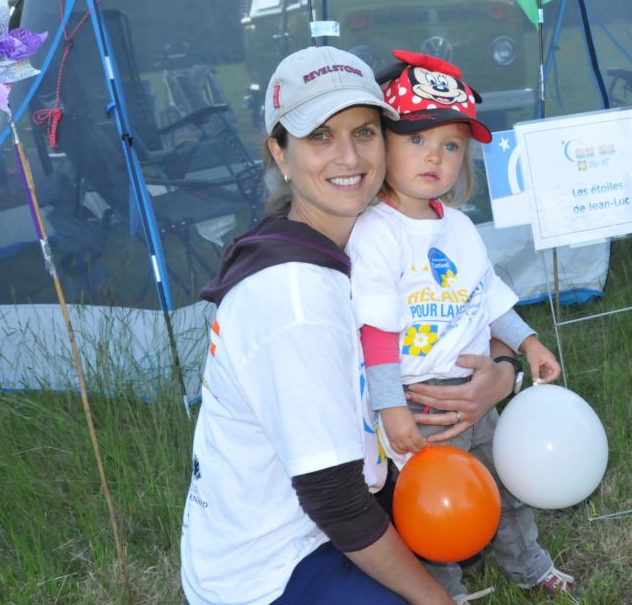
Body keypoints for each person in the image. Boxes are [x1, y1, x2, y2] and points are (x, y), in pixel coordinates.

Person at [179, 46, 517, 605]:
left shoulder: (370, 236)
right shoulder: (296, 300)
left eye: (363, 132)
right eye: (319, 137)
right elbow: (333, 501)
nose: (348, 157)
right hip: (275, 567)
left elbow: (465, 299)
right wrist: (435, 600)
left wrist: (502, 373)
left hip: (347, 498)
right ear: (280, 155)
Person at [347, 50, 574, 603]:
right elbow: (373, 332)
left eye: (450, 145)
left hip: (477, 394)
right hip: (418, 401)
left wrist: (528, 340)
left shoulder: (460, 227)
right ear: (382, 143)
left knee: (508, 487)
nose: (435, 158)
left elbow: (485, 297)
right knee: (434, 507)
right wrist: (390, 407)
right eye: (417, 140)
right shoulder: (377, 232)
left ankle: (529, 565)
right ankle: (441, 591)